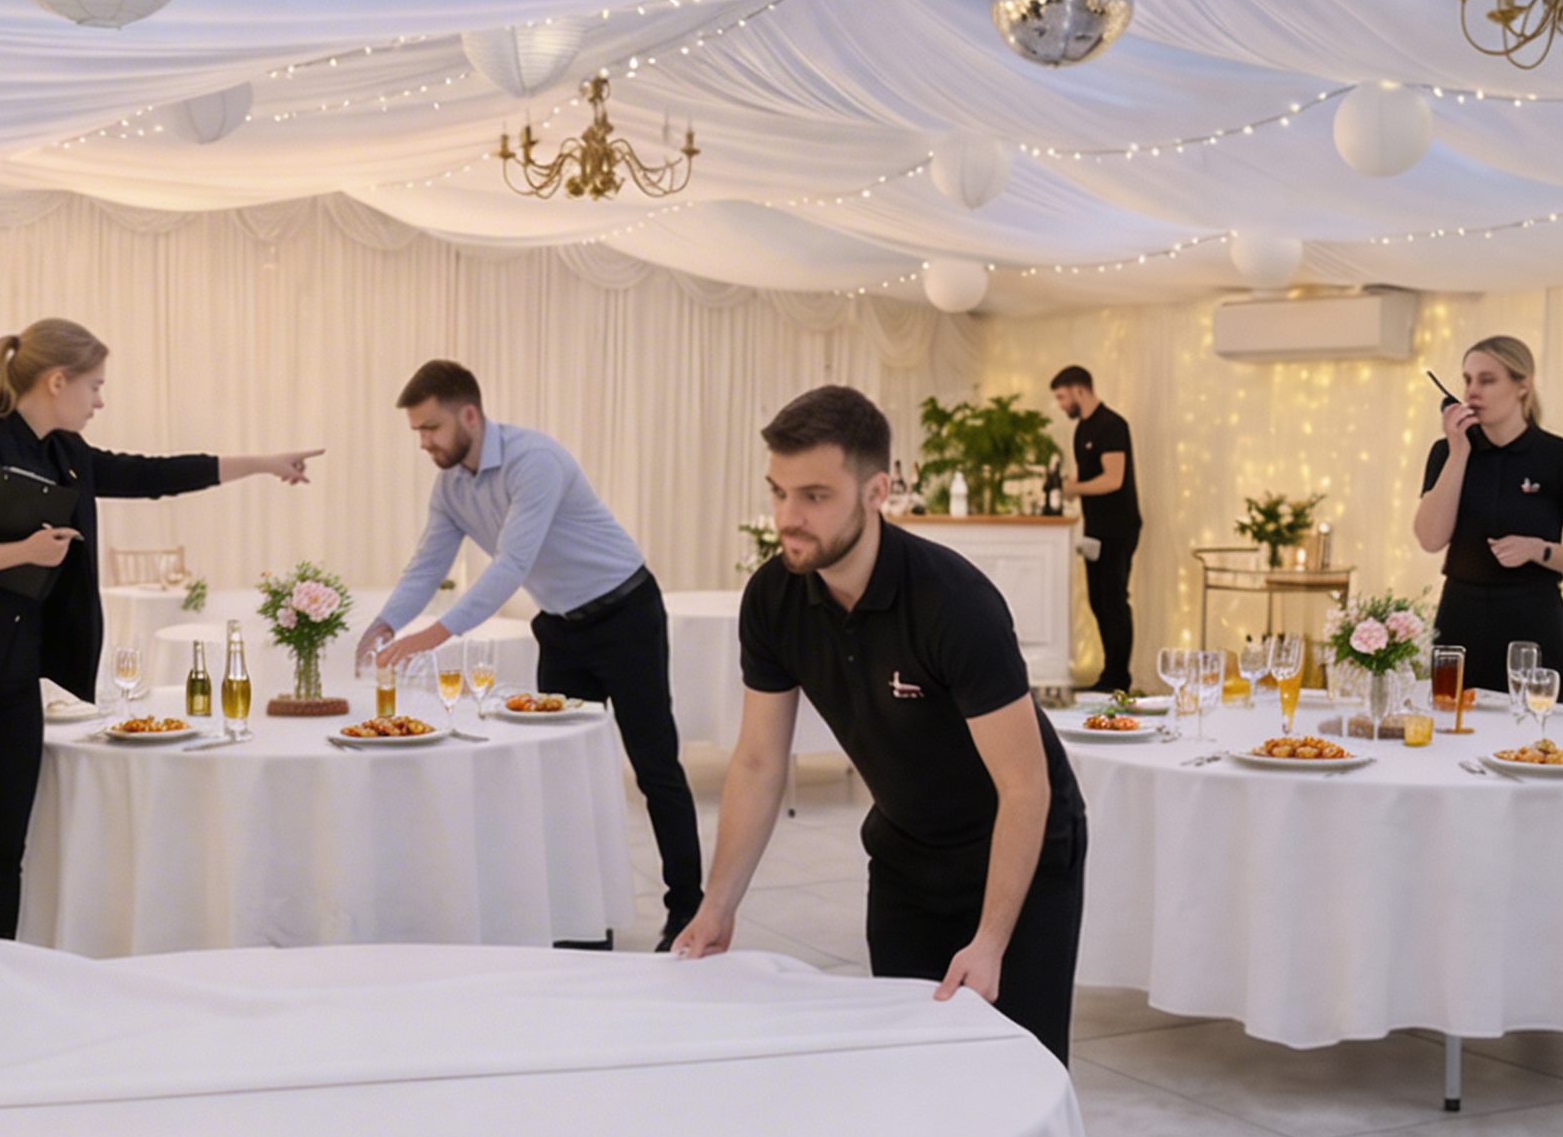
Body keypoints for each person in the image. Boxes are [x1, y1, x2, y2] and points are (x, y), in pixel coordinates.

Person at [0, 318, 320, 974]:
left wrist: (259, 464)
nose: (100, 400)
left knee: (2, 855)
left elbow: (153, 474)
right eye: (95, 385)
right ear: (58, 380)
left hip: (15, 686)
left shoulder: (69, 454)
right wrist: (19, 552)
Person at [671, 385, 1087, 1064]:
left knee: (1018, 1070)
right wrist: (718, 903)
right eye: (779, 492)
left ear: (877, 490)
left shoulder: (955, 604)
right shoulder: (775, 598)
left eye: (814, 495)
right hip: (905, 852)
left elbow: (1025, 786)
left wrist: (989, 941)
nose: (788, 517)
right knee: (904, 1063)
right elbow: (757, 762)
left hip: (1020, 852)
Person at [358, 360, 702, 945]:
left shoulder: (533, 460)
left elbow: (513, 564)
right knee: (564, 773)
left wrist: (434, 635)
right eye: (417, 432)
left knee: (654, 766)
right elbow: (428, 565)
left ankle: (690, 910)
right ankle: (584, 925)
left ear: (470, 414)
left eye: (432, 428)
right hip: (561, 629)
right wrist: (387, 622)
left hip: (626, 613)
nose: (424, 442)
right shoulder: (450, 486)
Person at [1413, 334, 1563, 705]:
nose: (1472, 392)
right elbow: (1430, 539)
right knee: (1452, 736)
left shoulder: (1562, 457)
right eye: (1467, 380)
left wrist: (1539, 550)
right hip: (1460, 616)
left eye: (1487, 380)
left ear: (1523, 385)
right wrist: (1458, 454)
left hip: (1533, 620)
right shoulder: (1447, 451)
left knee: (1539, 739)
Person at [1050, 364, 1141, 693]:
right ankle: (1108, 675)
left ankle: (1119, 678)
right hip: (1094, 528)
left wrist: (1074, 488)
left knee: (1114, 599)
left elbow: (1113, 480)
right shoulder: (1082, 430)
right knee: (1098, 601)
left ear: (1079, 390)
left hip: (1118, 528)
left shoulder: (1112, 425)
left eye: (1062, 397)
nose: (1061, 405)